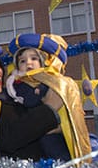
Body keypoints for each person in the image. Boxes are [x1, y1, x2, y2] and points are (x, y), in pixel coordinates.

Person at [6, 33, 91, 161]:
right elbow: (29, 102)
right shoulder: (18, 86)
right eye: (22, 61)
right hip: (37, 136)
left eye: (34, 58)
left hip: (60, 131)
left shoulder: (56, 81)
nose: (28, 63)